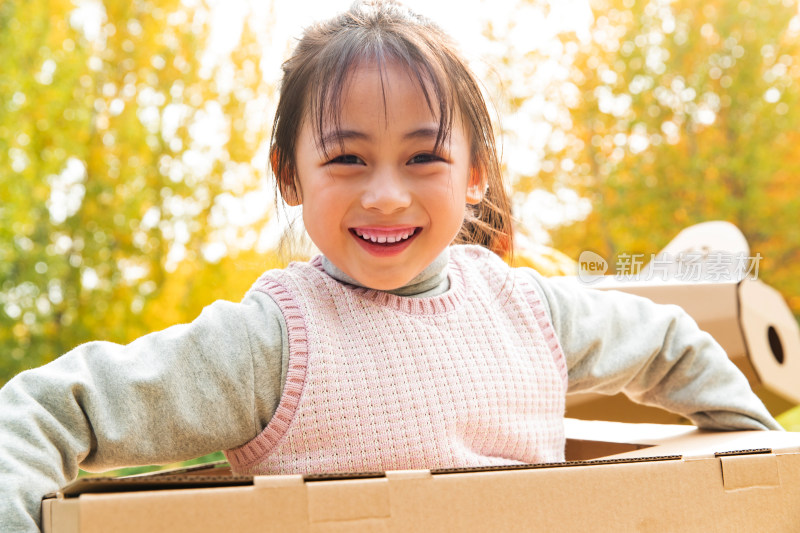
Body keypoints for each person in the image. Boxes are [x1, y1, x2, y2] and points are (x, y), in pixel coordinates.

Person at [0, 1, 781, 530]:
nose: (385, 195)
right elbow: (45, 409)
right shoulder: (273, 344)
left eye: (422, 157)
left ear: (474, 173)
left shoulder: (531, 312)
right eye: (346, 157)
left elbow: (671, 342)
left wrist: (762, 469)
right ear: (289, 173)